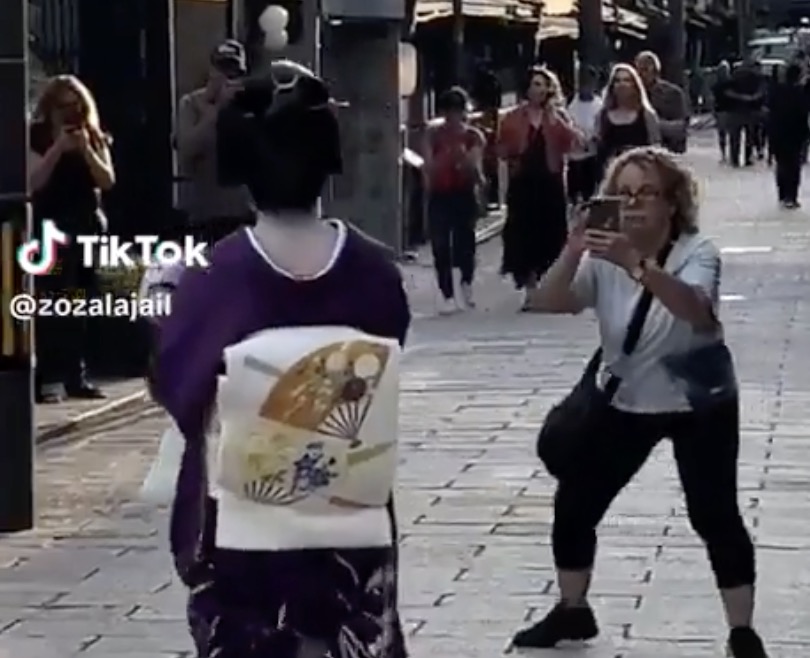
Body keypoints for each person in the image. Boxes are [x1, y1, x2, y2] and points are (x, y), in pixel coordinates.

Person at [150, 59, 410, 658]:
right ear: (329, 158)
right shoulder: (374, 271)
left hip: (243, 523)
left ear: (239, 162)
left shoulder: (213, 277)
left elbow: (180, 391)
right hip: (351, 511)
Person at [515, 146, 769, 658]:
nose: (632, 205)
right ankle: (573, 609)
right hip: (627, 398)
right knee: (576, 501)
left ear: (672, 203)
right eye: (623, 193)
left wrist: (637, 264)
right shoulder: (603, 256)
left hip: (698, 401)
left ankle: (742, 631)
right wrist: (572, 249)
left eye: (646, 193)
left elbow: (695, 310)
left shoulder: (699, 251)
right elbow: (547, 301)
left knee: (714, 515)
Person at [29, 74, 115, 403]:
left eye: (76, 106)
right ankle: (49, 377)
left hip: (87, 225)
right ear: (50, 108)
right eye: (63, 106)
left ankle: (75, 375)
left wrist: (86, 151)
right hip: (51, 227)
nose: (70, 113)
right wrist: (57, 150)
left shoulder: (92, 135)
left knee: (80, 302)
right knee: (53, 302)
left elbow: (107, 181)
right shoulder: (36, 136)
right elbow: (32, 181)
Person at [497, 66, 579, 310]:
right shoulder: (513, 117)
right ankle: (530, 289)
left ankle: (548, 286)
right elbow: (502, 148)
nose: (539, 89)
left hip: (550, 181)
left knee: (551, 235)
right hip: (523, 181)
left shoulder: (558, 116)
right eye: (535, 84)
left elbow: (573, 142)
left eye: (544, 85)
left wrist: (556, 121)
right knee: (523, 235)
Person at [176, 40, 254, 246]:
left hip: (244, 215)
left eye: (233, 73)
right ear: (211, 71)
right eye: (221, 70)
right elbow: (187, 151)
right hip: (205, 215)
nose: (226, 79)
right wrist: (217, 110)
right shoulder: (191, 104)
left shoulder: (250, 107)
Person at [421, 87, 486, 314]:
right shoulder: (433, 135)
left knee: (464, 243)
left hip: (463, 193)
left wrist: (463, 158)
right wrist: (442, 158)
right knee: (440, 245)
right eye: (449, 112)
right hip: (439, 194)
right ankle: (447, 292)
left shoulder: (473, 136)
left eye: (457, 112)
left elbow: (475, 169)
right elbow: (428, 166)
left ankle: (466, 283)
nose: (453, 118)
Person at [595, 63, 661, 173]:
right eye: (617, 80)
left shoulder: (646, 115)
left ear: (635, 85)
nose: (622, 84)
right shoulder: (602, 116)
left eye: (627, 80)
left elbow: (655, 148)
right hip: (610, 175)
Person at [767, 63, 810, 208]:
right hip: (795, 133)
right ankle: (791, 196)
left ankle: (782, 194)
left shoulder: (776, 91)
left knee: (782, 163)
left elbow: (769, 109)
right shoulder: (800, 93)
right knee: (794, 166)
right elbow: (804, 112)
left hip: (777, 132)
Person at [635, 51, 689, 153]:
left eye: (645, 70)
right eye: (637, 71)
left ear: (656, 72)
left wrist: (652, 124)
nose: (640, 75)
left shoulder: (673, 93)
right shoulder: (630, 94)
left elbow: (681, 128)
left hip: (666, 152)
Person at [566, 66, 603, 204]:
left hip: (591, 156)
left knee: (589, 194)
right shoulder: (570, 103)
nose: (585, 86)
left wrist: (592, 140)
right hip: (573, 156)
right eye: (582, 82)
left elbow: (601, 128)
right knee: (573, 195)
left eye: (588, 82)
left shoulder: (600, 105)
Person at [725, 60, 766, 167]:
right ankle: (747, 158)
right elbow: (761, 92)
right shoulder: (758, 78)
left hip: (735, 110)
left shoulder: (734, 77)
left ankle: (734, 159)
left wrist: (739, 97)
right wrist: (750, 98)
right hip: (750, 110)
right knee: (750, 136)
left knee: (735, 137)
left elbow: (726, 91)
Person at [712, 61, 732, 162]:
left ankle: (728, 153)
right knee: (722, 134)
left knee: (730, 134)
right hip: (722, 111)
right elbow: (713, 99)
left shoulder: (731, 84)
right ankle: (724, 153)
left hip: (730, 111)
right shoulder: (717, 85)